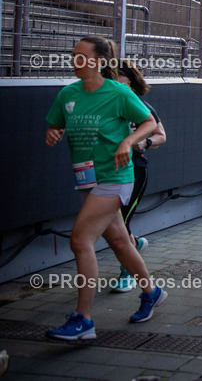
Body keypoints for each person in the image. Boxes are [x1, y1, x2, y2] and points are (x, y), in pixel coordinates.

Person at [43, 37, 163, 340]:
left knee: (80, 241)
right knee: (121, 243)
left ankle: (83, 320)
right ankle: (152, 291)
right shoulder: (68, 94)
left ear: (99, 61)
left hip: (115, 178)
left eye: (82, 57)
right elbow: (56, 124)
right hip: (86, 179)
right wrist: (54, 133)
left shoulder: (118, 92)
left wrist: (127, 141)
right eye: (73, 56)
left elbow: (149, 124)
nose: (75, 61)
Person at [110, 59, 168, 293]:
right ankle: (135, 243)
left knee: (122, 223)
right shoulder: (106, 106)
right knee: (112, 226)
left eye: (119, 76)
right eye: (110, 77)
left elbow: (162, 135)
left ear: (131, 81)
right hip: (108, 170)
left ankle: (127, 273)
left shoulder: (142, 107)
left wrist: (144, 141)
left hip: (135, 170)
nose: (114, 81)